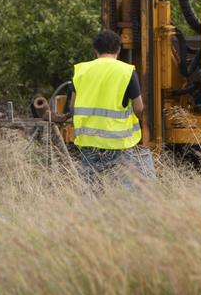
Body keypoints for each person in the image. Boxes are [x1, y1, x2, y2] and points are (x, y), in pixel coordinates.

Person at [55, 30, 156, 186]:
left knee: (92, 191)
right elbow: (138, 108)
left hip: (89, 142)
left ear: (95, 49)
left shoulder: (82, 71)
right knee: (124, 191)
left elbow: (73, 107)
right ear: (118, 49)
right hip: (119, 143)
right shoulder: (126, 71)